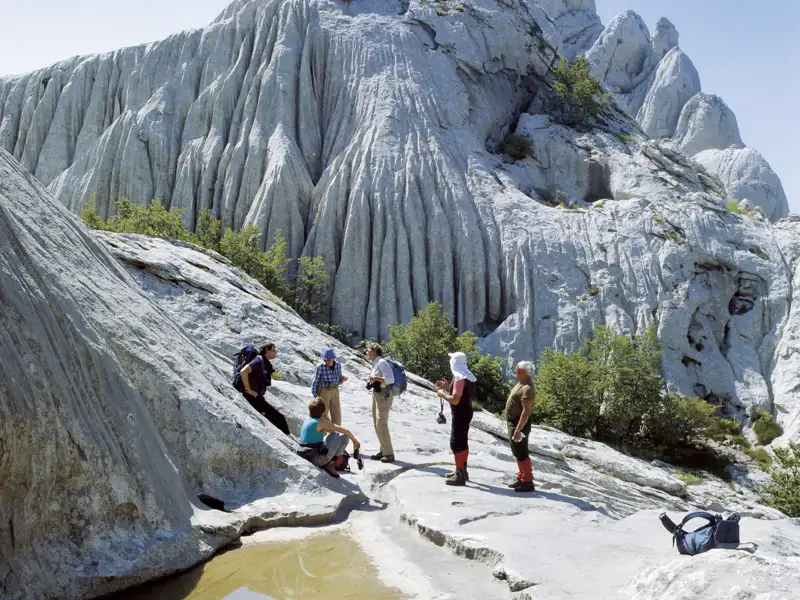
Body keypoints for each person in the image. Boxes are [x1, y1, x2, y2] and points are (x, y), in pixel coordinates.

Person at [435, 352, 475, 486]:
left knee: (456, 443)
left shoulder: (459, 378)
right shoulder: (466, 376)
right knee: (462, 441)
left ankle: (459, 475)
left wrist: (442, 393)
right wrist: (448, 387)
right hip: (466, 411)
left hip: (460, 413)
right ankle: (463, 471)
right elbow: (460, 394)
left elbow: (455, 400)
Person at [298, 397, 361, 478]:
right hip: (315, 459)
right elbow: (345, 431)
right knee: (345, 438)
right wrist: (355, 441)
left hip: (304, 453)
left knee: (334, 434)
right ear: (323, 412)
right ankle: (330, 464)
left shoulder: (308, 420)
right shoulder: (321, 422)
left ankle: (329, 462)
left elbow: (332, 431)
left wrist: (324, 418)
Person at [239, 342, 291, 435]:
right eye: (273, 350)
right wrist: (249, 389)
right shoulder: (259, 360)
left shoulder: (266, 363)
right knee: (279, 419)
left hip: (258, 397)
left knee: (279, 419)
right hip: (251, 397)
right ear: (267, 350)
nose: (275, 353)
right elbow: (244, 372)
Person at [505, 361, 536, 492]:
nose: (515, 372)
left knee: (522, 452)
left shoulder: (527, 389)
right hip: (513, 422)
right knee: (517, 451)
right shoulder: (521, 384)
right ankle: (521, 477)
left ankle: (527, 481)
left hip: (519, 424)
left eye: (517, 370)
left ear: (525, 372)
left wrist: (518, 429)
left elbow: (526, 412)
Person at [364, 343, 395, 463]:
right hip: (377, 395)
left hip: (384, 395)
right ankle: (383, 450)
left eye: (368, 350)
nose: (366, 351)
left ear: (374, 350)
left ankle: (389, 454)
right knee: (376, 423)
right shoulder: (375, 362)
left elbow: (390, 379)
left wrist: (374, 378)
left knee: (381, 424)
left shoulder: (382, 362)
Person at [311, 348, 348, 425]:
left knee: (336, 411)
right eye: (325, 360)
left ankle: (336, 430)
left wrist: (342, 379)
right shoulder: (320, 367)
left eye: (328, 360)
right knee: (323, 412)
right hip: (324, 390)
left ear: (333, 358)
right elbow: (315, 381)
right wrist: (315, 396)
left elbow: (339, 377)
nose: (326, 362)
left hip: (335, 390)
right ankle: (323, 431)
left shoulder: (338, 365)